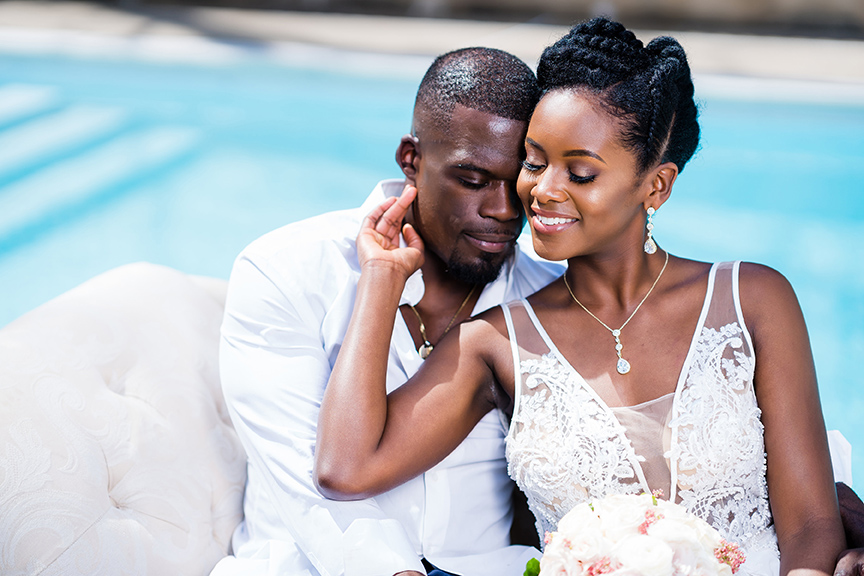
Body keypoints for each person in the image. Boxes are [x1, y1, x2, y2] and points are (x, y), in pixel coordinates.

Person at [315, 18, 848, 576]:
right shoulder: (493, 343)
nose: (542, 191)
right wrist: (381, 276)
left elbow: (812, 524)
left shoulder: (754, 300)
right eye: (535, 161)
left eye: (581, 173)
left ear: (656, 186)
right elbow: (345, 469)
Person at [211, 47, 563, 576]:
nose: (501, 211)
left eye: (517, 182)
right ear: (411, 159)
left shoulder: (551, 299)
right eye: (471, 180)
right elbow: (310, 482)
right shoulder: (286, 271)